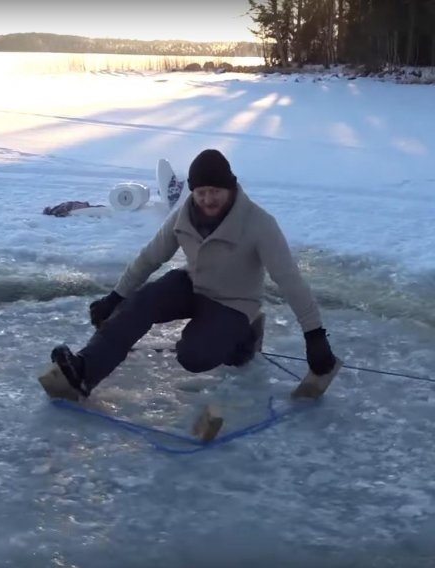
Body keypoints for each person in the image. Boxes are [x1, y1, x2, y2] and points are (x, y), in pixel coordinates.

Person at [49, 148, 338, 400]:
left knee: (193, 356)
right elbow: (150, 257)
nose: (208, 199)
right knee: (140, 302)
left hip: (234, 303)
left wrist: (314, 335)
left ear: (231, 188)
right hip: (192, 286)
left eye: (215, 191)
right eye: (201, 192)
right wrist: (115, 297)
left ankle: (245, 337)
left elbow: (289, 280)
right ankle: (85, 370)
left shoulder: (259, 224)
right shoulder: (184, 214)